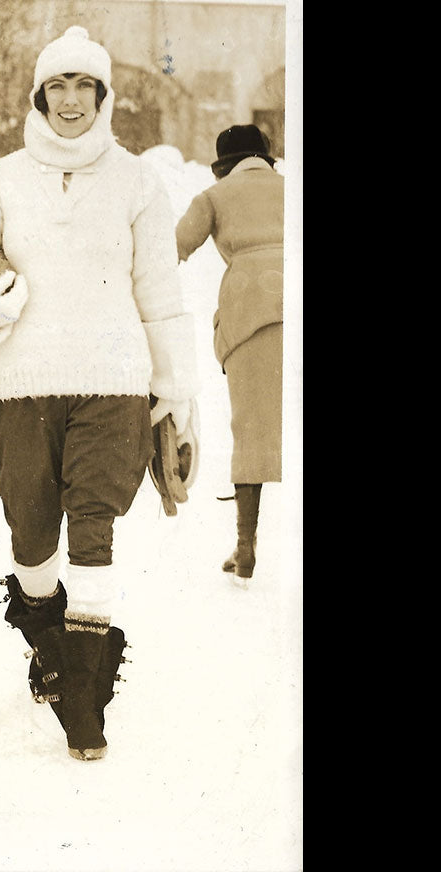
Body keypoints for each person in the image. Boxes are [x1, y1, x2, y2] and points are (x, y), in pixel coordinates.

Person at [0, 26, 199, 761]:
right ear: (38, 96)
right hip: (24, 387)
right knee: (31, 534)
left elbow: (161, 294)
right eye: (57, 86)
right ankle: (50, 643)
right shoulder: (2, 179)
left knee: (93, 526)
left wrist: (175, 393)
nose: (70, 100)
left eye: (84, 86)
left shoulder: (138, 182)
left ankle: (83, 702)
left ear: (104, 96)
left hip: (114, 384)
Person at [175, 124, 284, 580]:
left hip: (249, 311)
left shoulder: (214, 197)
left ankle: (245, 546)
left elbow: (173, 248)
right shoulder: (290, 189)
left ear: (222, 168)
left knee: (252, 428)